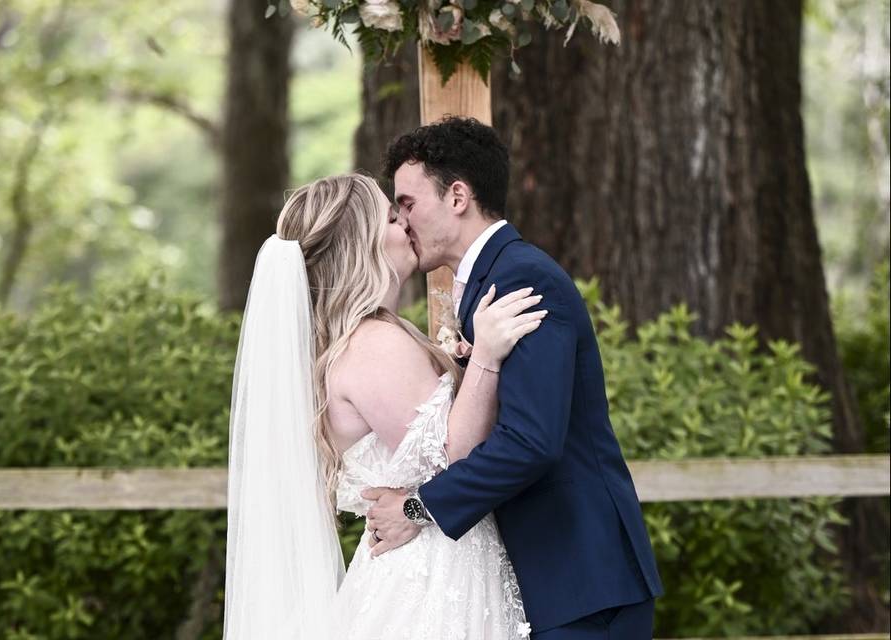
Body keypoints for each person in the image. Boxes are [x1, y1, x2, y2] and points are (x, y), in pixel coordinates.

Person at [361, 116, 665, 640]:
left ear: (458, 196)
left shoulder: (522, 278)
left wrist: (418, 507)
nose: (402, 221)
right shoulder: (489, 279)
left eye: (408, 203)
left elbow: (531, 441)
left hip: (579, 581)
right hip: (552, 581)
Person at [222, 172, 545, 639]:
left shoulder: (362, 340)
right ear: (362, 244)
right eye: (393, 217)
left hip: (428, 559)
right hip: (435, 579)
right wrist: (488, 358)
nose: (407, 223)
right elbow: (454, 456)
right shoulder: (373, 345)